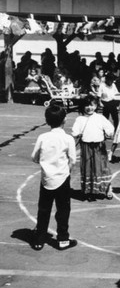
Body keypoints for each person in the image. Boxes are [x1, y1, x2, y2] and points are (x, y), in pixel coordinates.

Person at [31, 104, 78, 251]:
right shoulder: (68, 139)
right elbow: (73, 160)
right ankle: (63, 239)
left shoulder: (42, 137)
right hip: (63, 178)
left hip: (46, 178)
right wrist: (66, 169)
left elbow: (34, 157)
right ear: (64, 120)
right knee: (63, 210)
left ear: (47, 120)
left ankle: (39, 240)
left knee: (43, 209)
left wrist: (45, 164)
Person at [72, 95, 115, 201]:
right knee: (88, 168)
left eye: (91, 105)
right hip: (86, 147)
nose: (89, 107)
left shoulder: (100, 117)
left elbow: (110, 128)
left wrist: (109, 132)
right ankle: (89, 190)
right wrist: (77, 133)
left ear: (96, 105)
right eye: (86, 105)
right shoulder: (80, 119)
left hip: (99, 147)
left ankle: (108, 187)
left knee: (102, 167)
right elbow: (75, 131)